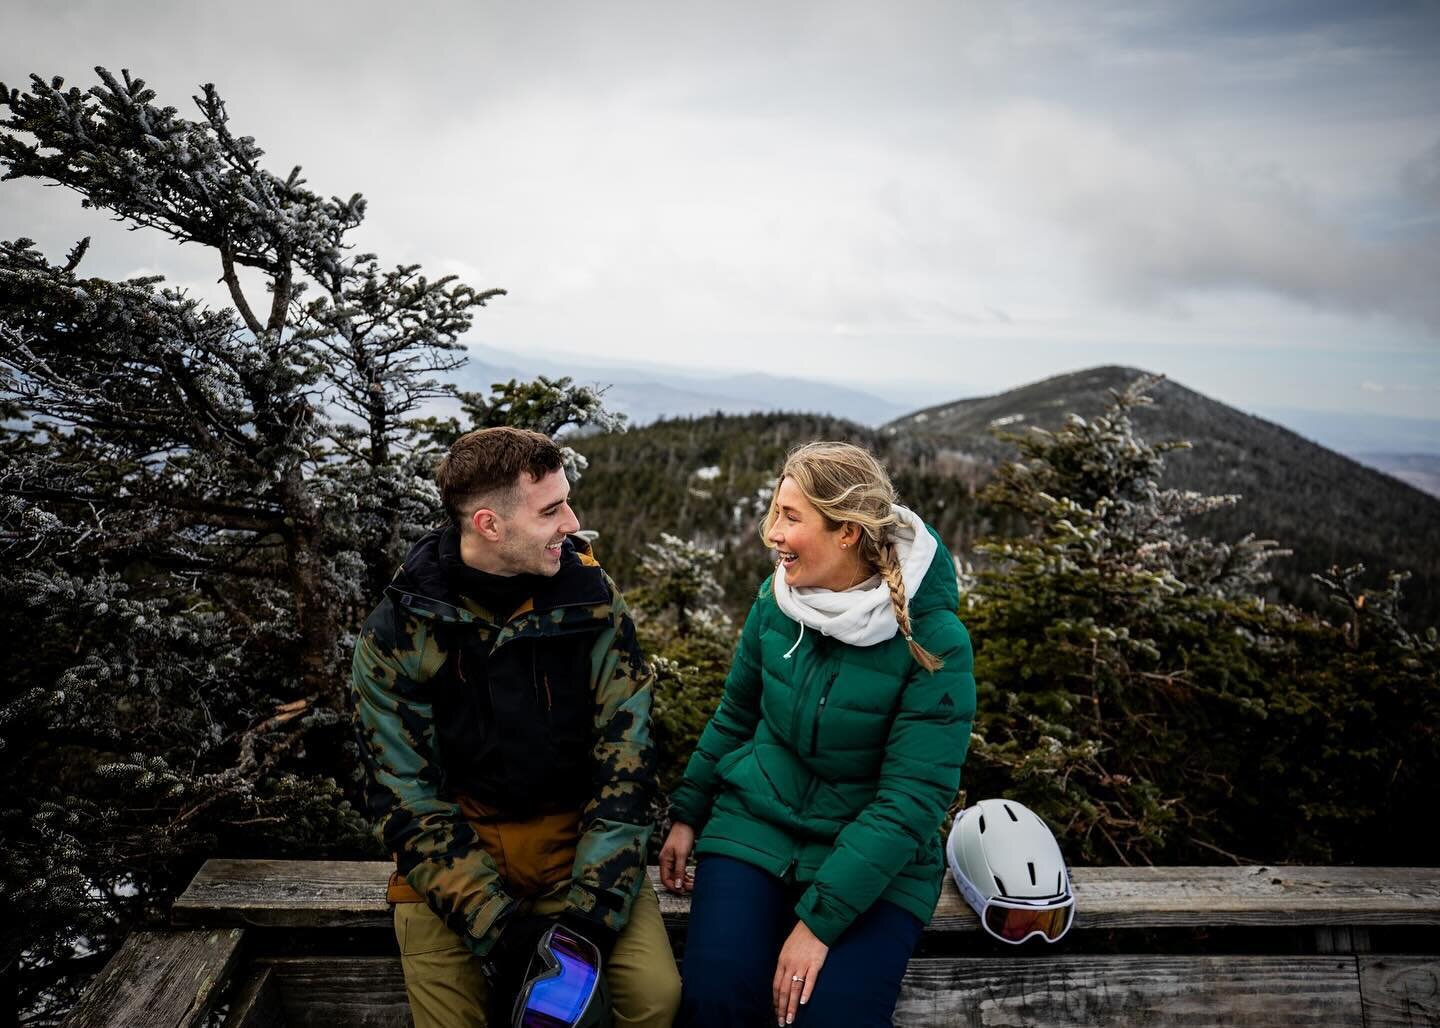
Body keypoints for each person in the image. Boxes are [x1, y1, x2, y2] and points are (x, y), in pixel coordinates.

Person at [351, 426, 681, 1028]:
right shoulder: (402, 629)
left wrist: (590, 915)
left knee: (653, 1000)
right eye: (551, 509)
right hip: (457, 862)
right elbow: (404, 796)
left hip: (577, 848)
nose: (571, 522)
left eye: (567, 502)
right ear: (488, 525)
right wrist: (501, 931)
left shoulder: (591, 602)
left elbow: (626, 757)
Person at [660, 441, 975, 1028]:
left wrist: (818, 924)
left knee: (833, 1016)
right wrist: (688, 810)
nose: (771, 533)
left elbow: (911, 801)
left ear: (848, 532)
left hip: (876, 856)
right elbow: (736, 713)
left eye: (790, 517)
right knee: (716, 1001)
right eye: (774, 512)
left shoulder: (933, 642)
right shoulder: (776, 601)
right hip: (755, 827)